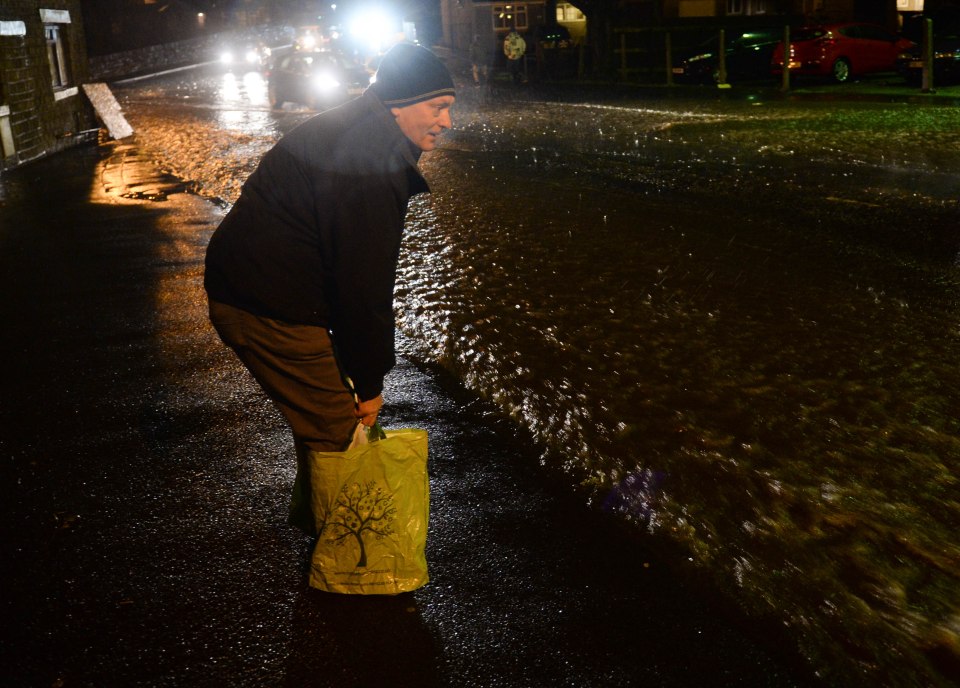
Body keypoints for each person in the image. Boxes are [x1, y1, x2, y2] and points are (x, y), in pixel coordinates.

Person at [203, 43, 456, 535]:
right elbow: (363, 285)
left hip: (258, 287)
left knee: (325, 417)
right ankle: (351, 569)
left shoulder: (360, 132)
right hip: (267, 304)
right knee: (342, 432)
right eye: (439, 106)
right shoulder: (368, 164)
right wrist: (370, 384)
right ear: (398, 104)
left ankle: (318, 524)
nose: (447, 121)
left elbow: (351, 278)